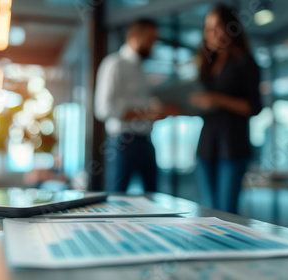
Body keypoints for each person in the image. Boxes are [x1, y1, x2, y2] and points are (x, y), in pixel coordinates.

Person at [190, 4, 262, 214]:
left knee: (226, 214)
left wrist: (216, 99)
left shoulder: (245, 62)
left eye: (215, 27)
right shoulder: (207, 64)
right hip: (206, 145)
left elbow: (254, 107)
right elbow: (205, 107)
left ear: (230, 28)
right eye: (207, 28)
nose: (210, 34)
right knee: (207, 212)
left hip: (232, 145)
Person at [95, 18, 177, 193]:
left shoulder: (141, 69)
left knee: (152, 196)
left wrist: (157, 112)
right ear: (133, 36)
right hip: (123, 142)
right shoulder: (115, 63)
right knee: (117, 197)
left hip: (145, 140)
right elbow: (103, 109)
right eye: (149, 39)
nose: (152, 44)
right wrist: (149, 113)